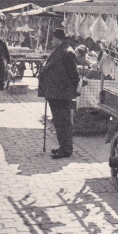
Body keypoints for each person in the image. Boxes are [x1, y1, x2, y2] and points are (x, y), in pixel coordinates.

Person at [38, 29, 80, 159]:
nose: (51, 41)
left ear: (59, 39)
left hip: (61, 94)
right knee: (58, 122)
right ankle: (63, 147)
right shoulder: (60, 51)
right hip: (55, 93)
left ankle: (66, 150)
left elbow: (74, 76)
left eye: (53, 39)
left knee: (64, 122)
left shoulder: (67, 53)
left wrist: (68, 89)